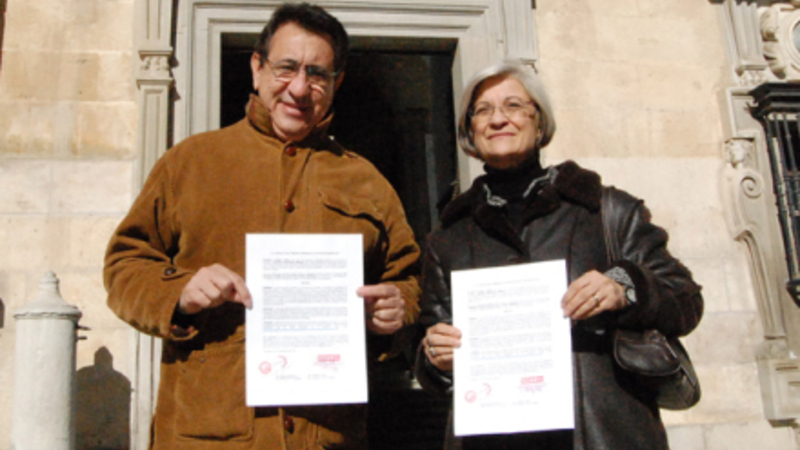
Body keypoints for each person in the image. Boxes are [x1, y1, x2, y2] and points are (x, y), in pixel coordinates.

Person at [103, 3, 420, 449]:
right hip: (207, 436)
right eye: (286, 68)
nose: (299, 88)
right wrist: (180, 291)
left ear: (337, 84)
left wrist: (397, 310)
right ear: (257, 68)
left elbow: (408, 281)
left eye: (317, 74)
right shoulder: (191, 162)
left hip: (326, 435)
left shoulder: (366, 181)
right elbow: (124, 265)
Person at [414, 60, 703, 449]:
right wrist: (435, 355)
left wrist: (624, 287)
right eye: (482, 110)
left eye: (514, 106)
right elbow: (431, 351)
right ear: (470, 131)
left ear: (539, 121)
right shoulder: (448, 239)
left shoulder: (606, 211)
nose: (498, 119)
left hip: (601, 436)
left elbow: (685, 299)